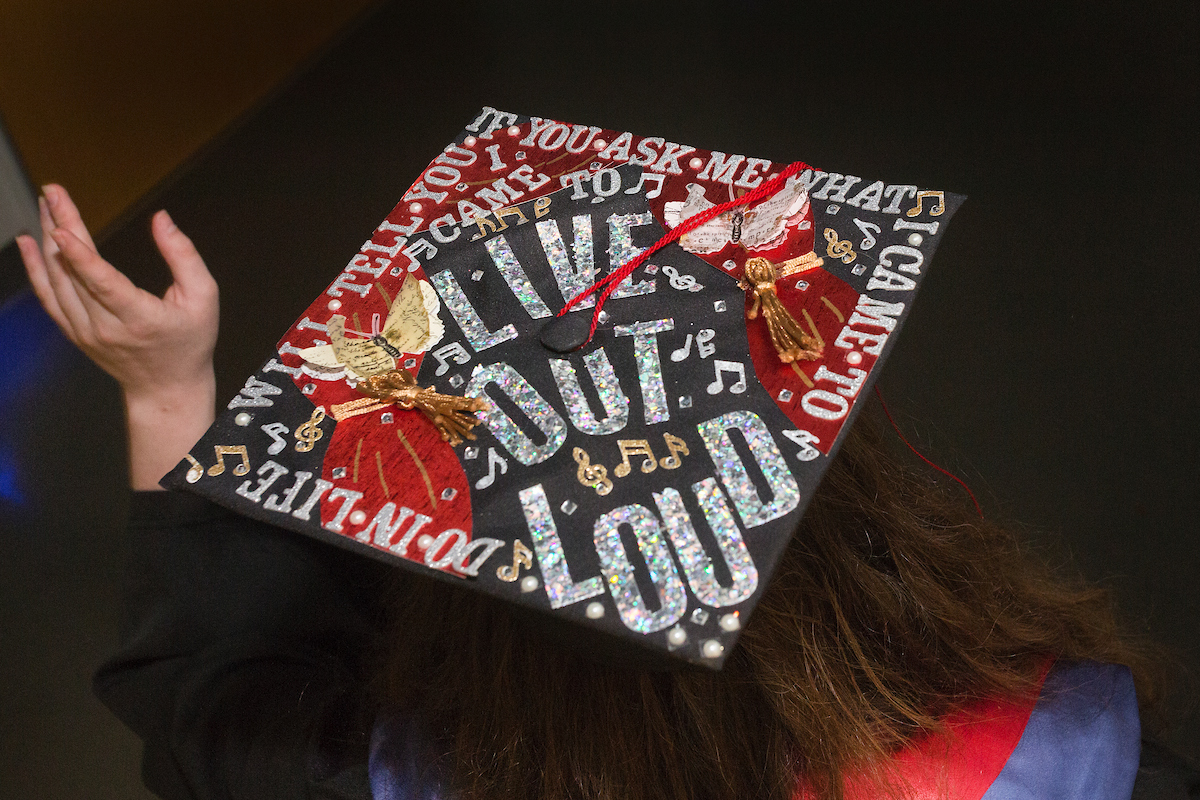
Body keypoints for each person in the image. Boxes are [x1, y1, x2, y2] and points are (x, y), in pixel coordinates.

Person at [17, 186, 1199, 799]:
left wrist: (167, 390)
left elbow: (207, 703)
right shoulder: (1093, 768)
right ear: (860, 542)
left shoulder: (363, 777)